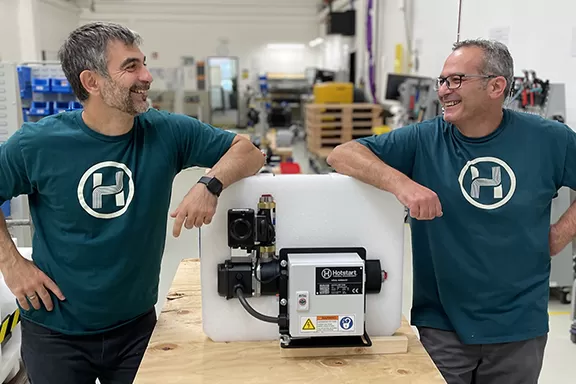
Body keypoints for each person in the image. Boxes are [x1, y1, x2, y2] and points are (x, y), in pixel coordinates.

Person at [0, 22, 265, 384]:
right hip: (54, 331)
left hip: (136, 328)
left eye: (143, 63)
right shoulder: (38, 144)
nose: (147, 76)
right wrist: (12, 264)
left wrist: (210, 184)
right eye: (131, 67)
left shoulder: (166, 132)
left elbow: (249, 151)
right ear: (91, 82)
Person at [327, 39, 576, 384]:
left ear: (496, 86)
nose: (444, 90)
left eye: (456, 80)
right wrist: (402, 184)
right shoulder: (424, 140)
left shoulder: (551, 139)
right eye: (442, 81)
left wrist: (559, 234)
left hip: (519, 324)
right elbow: (342, 154)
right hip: (442, 323)